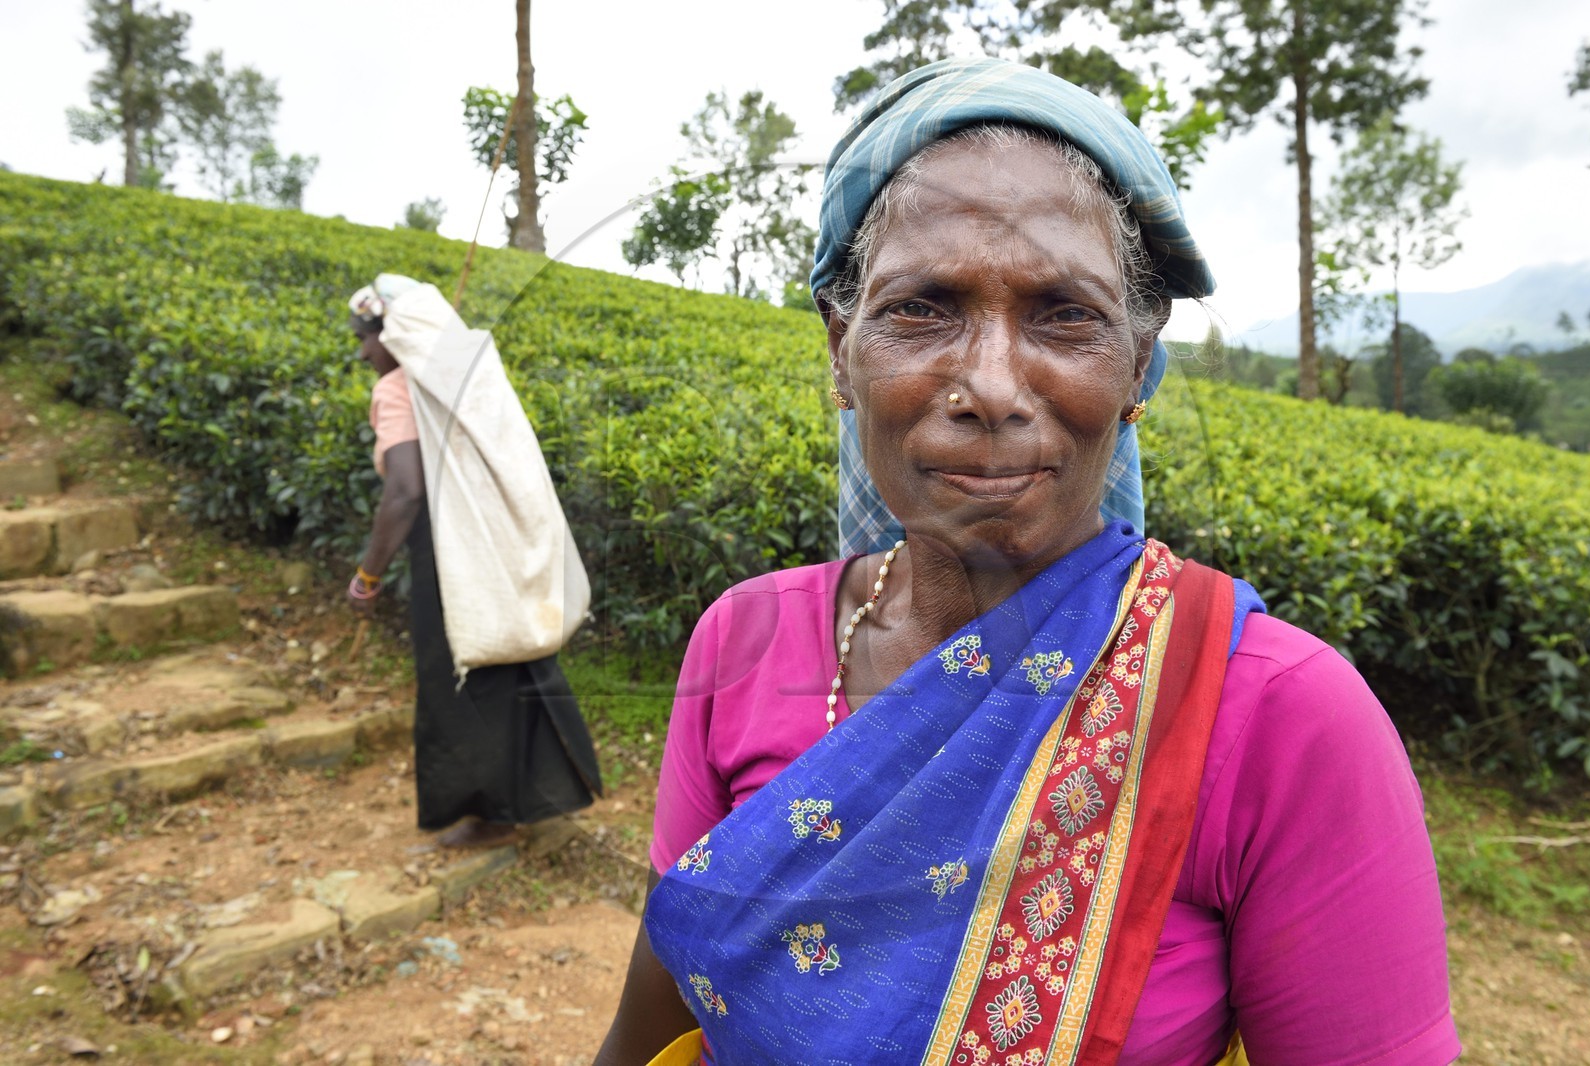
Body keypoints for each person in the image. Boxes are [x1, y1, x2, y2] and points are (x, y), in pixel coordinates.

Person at [596, 58, 1459, 1066]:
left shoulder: (1283, 716)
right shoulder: (744, 637)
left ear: (1138, 363)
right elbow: (662, 1008)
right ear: (840, 350)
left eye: (1065, 313)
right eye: (922, 306)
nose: (992, 385)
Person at [347, 277, 602, 849]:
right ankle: (538, 798)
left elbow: (406, 489)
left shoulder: (397, 388)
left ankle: (486, 815)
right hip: (488, 540)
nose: (362, 350)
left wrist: (369, 573)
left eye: (366, 336)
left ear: (391, 336)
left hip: (443, 551)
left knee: (455, 674)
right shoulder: (456, 383)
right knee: (509, 661)